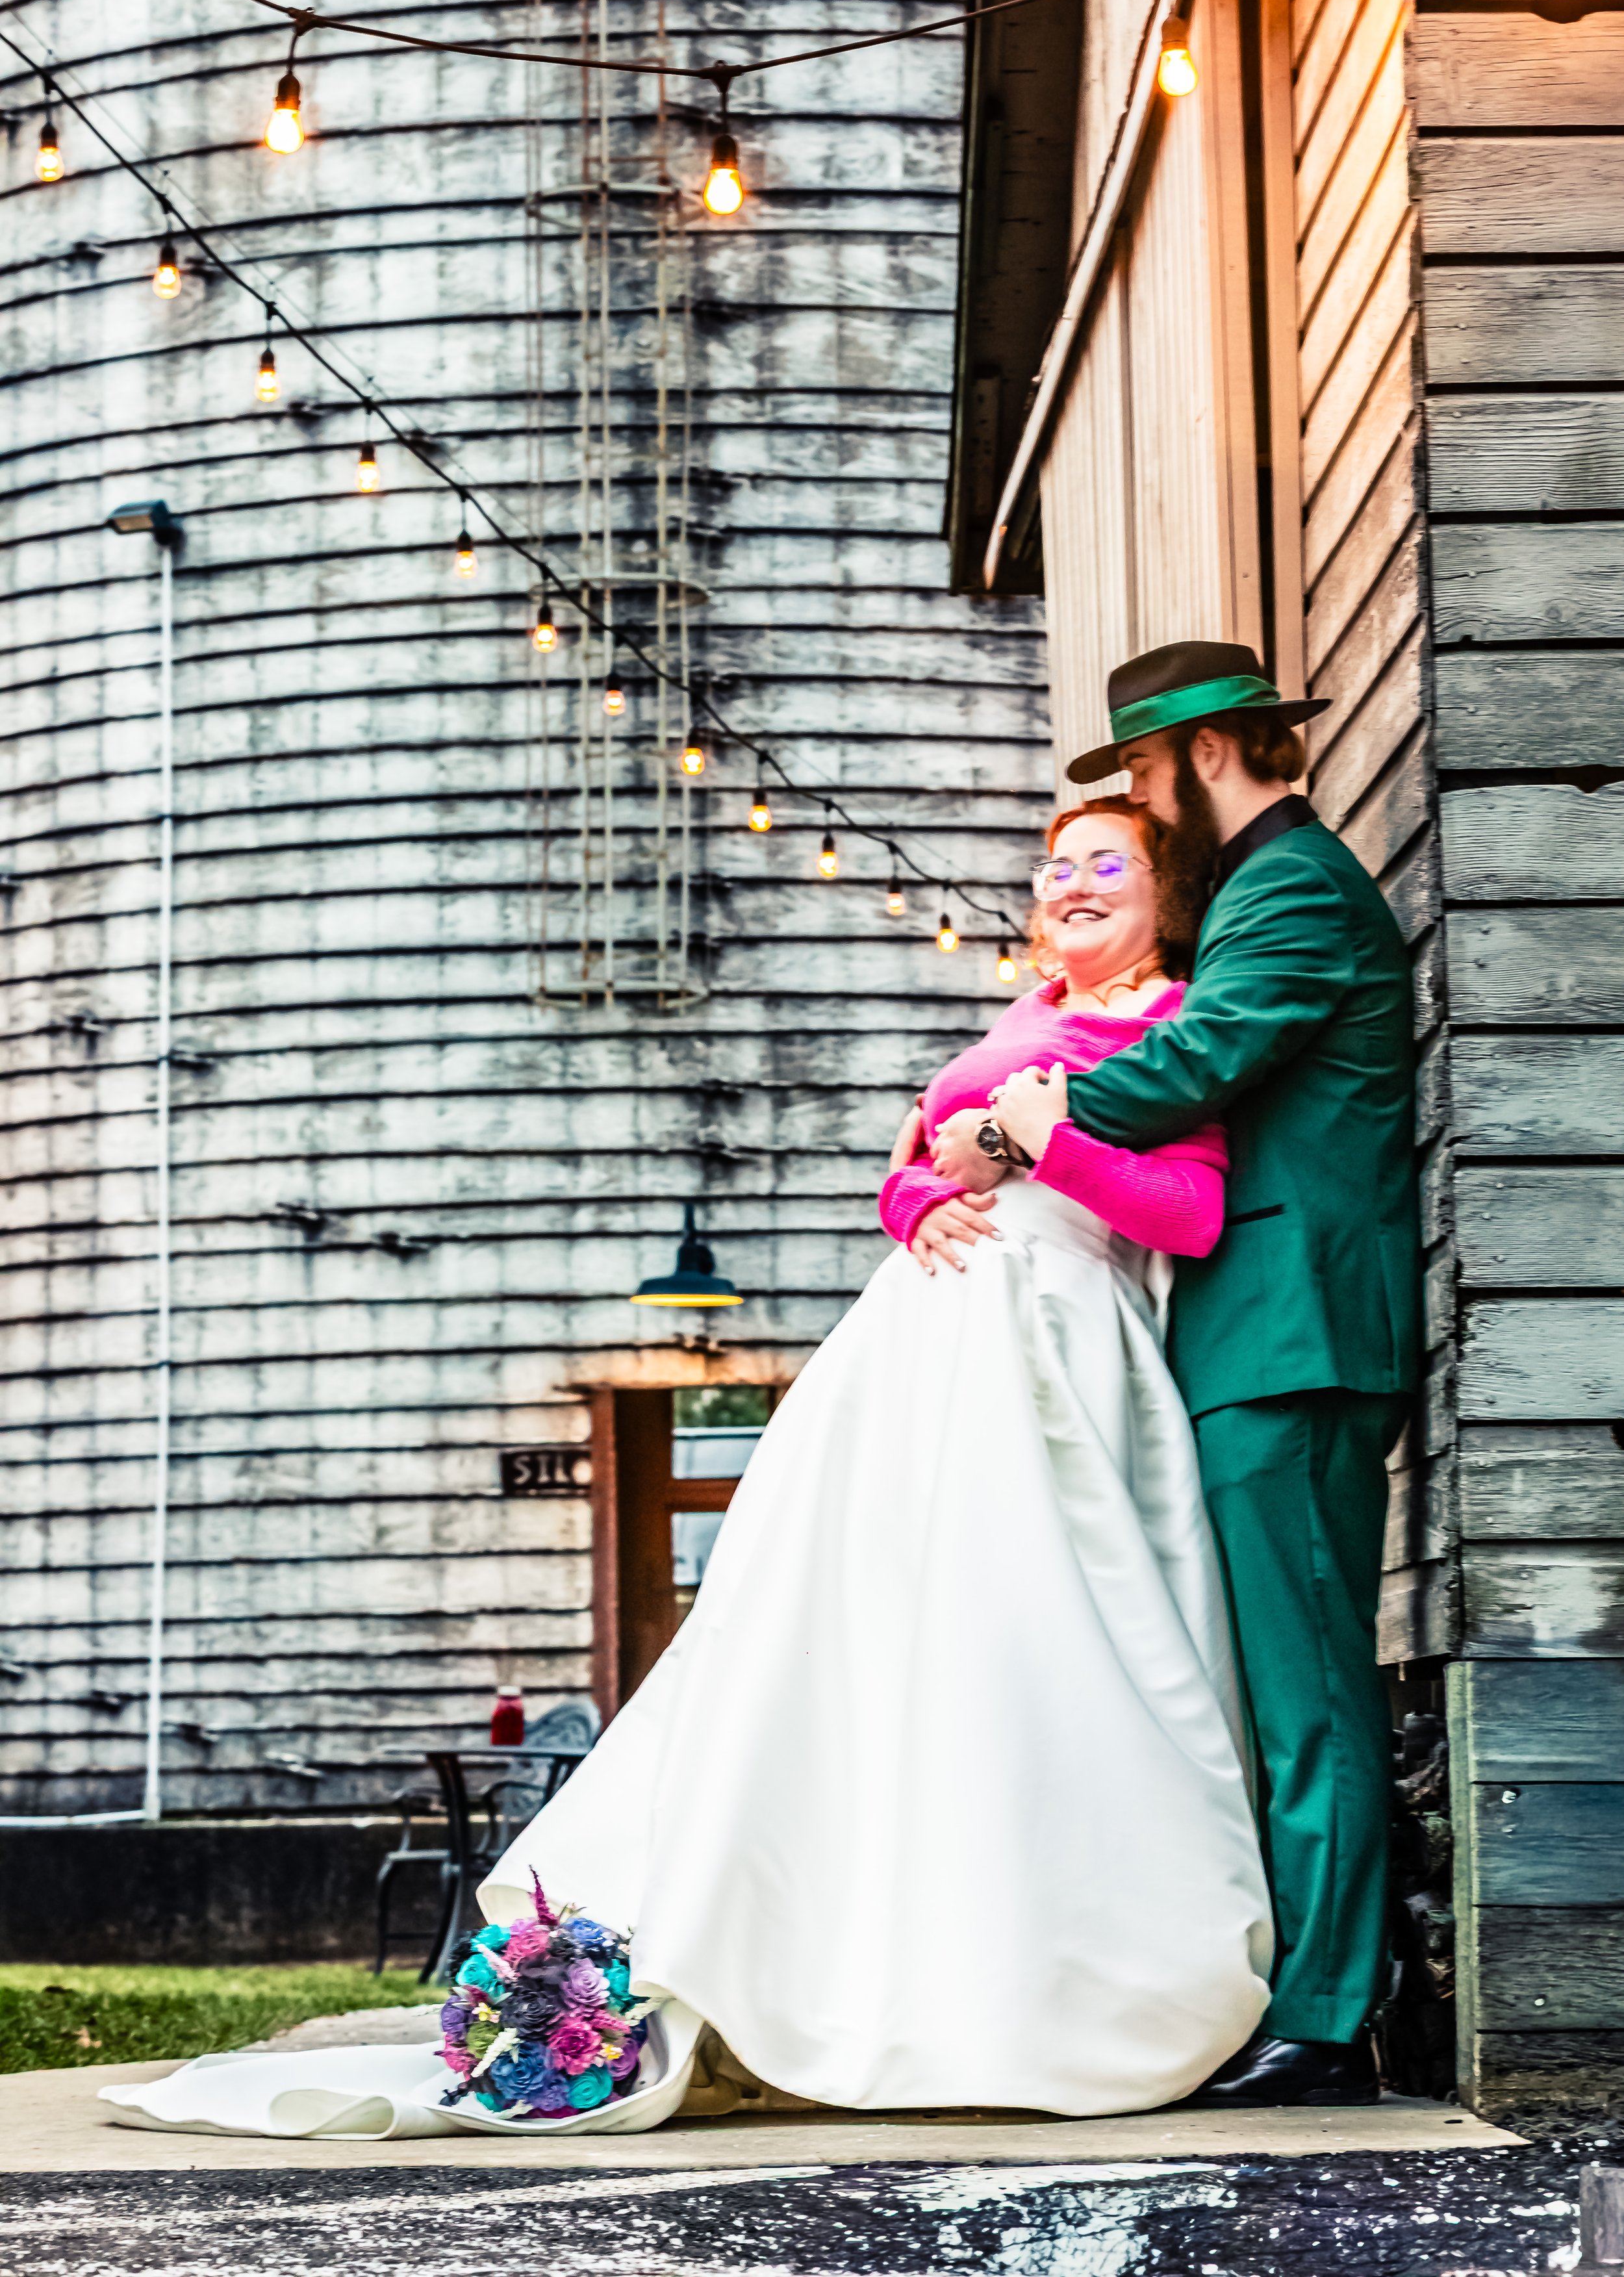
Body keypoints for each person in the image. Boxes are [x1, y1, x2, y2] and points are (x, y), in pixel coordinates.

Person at [476, 794, 1274, 2116]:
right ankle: (792, 1953)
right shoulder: (1016, 1020)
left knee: (1029, 1644)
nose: (1068, 884)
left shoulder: (1170, 1027)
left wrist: (1037, 1140)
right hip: (909, 1360)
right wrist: (916, 1196)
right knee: (839, 1641)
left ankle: (1019, 1974)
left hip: (1054, 1358)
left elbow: (1186, 1215)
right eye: (1053, 865)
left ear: (1163, 896)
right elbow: (914, 1167)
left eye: (1105, 867)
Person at [991, 641, 1421, 2111]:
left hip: (1291, 1336)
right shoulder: (1261, 889)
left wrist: (1015, 1121)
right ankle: (1317, 1993)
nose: (1140, 807)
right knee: (1280, 1684)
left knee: (1306, 1693)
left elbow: (1203, 1057)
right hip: (1263, 1335)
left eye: (1141, 777)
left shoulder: (1287, 889)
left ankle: (1325, 2017)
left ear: (1199, 756)